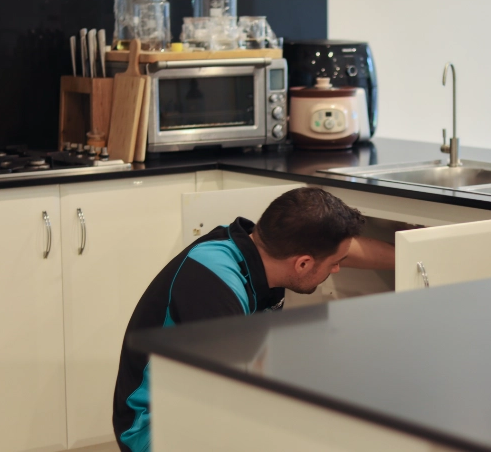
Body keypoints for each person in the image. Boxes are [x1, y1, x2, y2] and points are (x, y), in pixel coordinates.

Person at [112, 187, 394, 451]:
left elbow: (346, 249)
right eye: (335, 263)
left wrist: (412, 254)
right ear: (303, 263)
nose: (337, 269)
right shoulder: (214, 286)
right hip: (155, 427)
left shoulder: (259, 248)